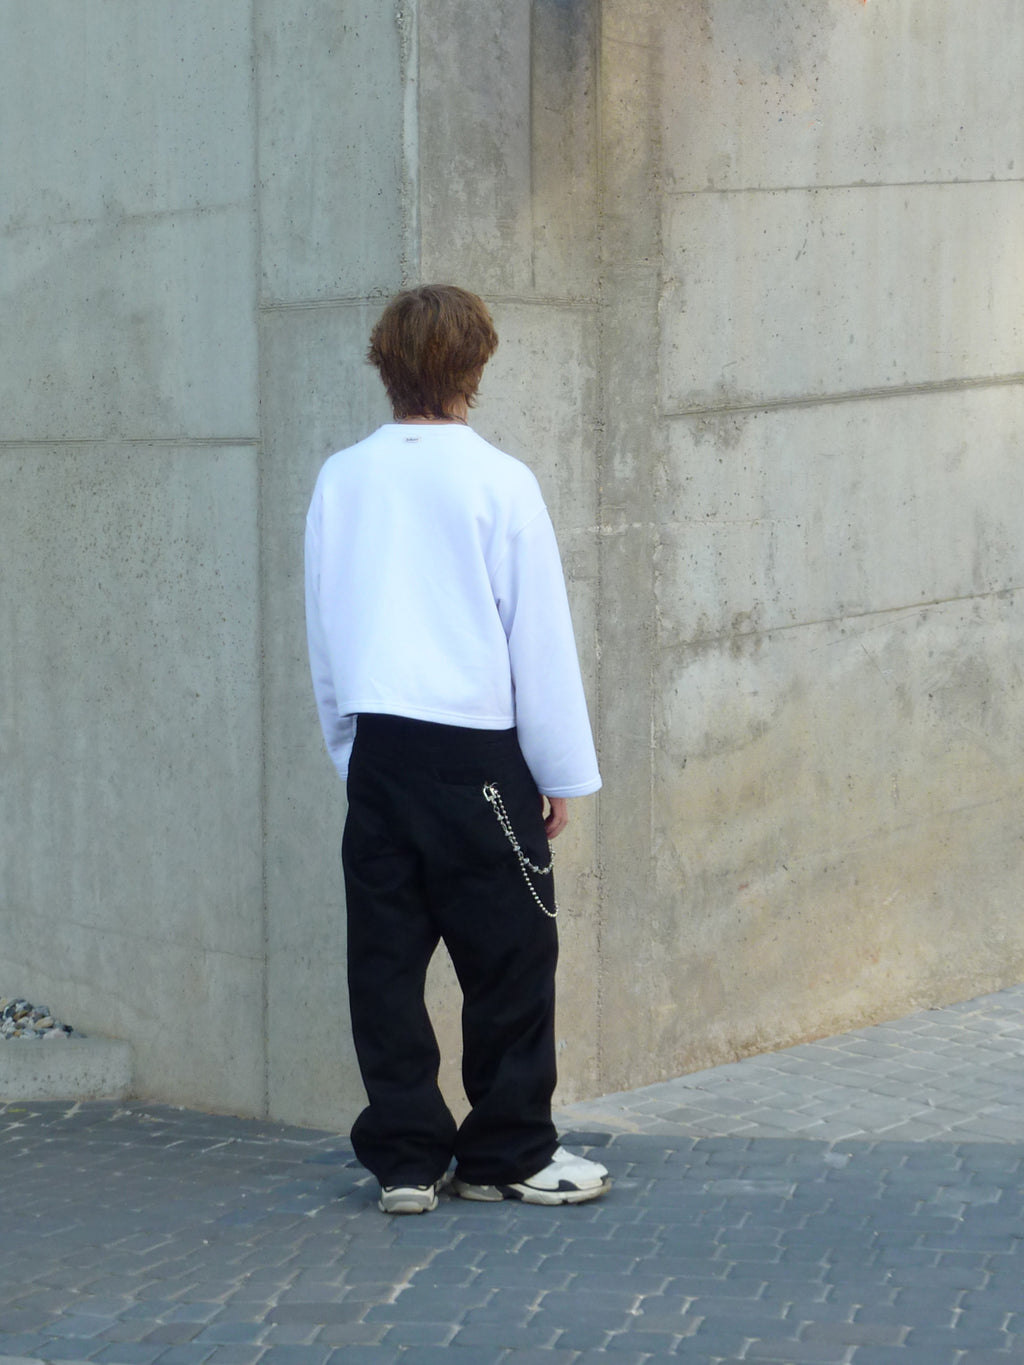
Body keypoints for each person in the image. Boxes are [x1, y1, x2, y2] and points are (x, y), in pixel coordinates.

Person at [304, 284, 608, 1214]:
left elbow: (325, 629)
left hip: (381, 752)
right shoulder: (499, 480)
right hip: (479, 760)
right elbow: (536, 638)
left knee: (385, 962)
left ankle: (405, 1160)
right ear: (476, 365)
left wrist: (353, 753)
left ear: (383, 363)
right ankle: (506, 1151)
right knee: (511, 954)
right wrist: (558, 773)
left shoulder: (341, 478)